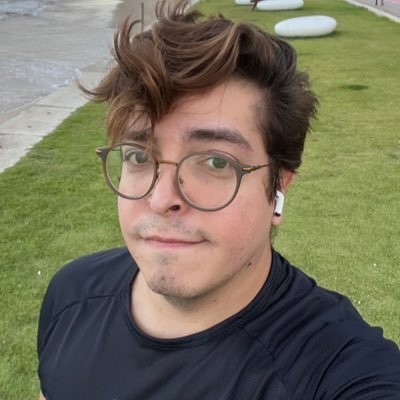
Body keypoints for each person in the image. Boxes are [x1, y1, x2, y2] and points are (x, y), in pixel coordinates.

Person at [37, 0, 400, 399]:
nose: (161, 199)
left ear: (278, 185)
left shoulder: (334, 368)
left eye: (216, 162)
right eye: (139, 156)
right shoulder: (72, 294)